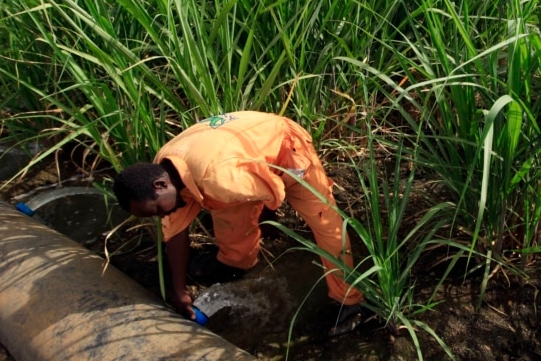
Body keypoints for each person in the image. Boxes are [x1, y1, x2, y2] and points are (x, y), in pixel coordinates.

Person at [112, 111, 364, 336]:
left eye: (156, 210)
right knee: (227, 208)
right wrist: (179, 291)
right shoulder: (164, 166)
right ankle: (236, 261)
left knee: (325, 223)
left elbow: (273, 188)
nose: (159, 216)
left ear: (160, 185)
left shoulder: (218, 180)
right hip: (233, 160)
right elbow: (174, 231)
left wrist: (267, 218)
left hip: (285, 148)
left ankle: (349, 300)